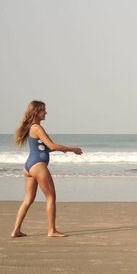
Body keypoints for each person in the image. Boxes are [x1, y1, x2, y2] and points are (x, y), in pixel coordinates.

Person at [11, 100, 83, 238]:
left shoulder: (32, 127)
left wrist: (63, 151)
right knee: (51, 197)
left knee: (27, 200)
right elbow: (52, 145)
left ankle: (16, 230)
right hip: (38, 165)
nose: (46, 112)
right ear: (36, 112)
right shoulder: (37, 127)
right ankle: (52, 230)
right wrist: (72, 149)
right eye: (43, 110)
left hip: (29, 166)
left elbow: (45, 148)